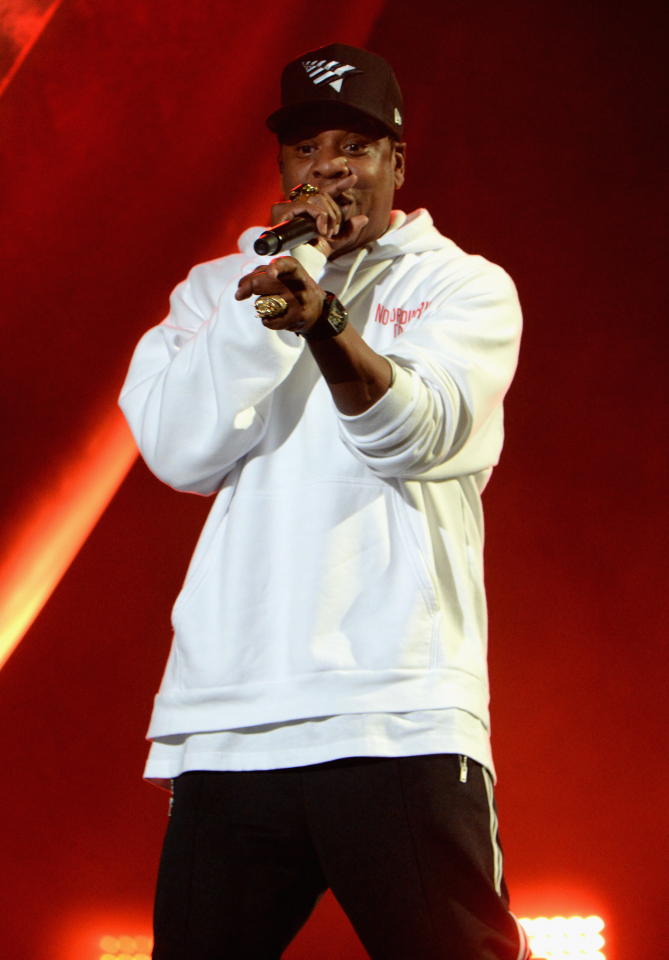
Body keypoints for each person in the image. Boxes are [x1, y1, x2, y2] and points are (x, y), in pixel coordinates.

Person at [120, 42, 529, 960]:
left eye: (353, 147)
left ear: (395, 161)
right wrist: (268, 305)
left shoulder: (461, 286)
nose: (329, 168)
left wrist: (326, 324)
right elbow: (180, 450)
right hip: (229, 720)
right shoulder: (211, 293)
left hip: (395, 710)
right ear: (281, 167)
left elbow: (412, 435)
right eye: (307, 149)